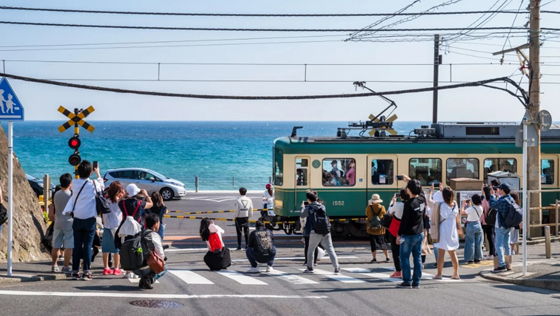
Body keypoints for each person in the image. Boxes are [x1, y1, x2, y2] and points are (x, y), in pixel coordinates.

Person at [62, 160, 104, 281]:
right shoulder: (93, 184)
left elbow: (82, 180)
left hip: (77, 218)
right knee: (88, 246)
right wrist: (98, 173)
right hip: (90, 218)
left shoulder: (74, 183)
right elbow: (102, 187)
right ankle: (86, 271)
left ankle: (75, 271)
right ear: (90, 172)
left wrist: (89, 172)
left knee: (77, 245)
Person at [117, 184, 153, 279]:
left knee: (126, 249)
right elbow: (151, 204)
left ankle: (128, 271)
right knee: (138, 248)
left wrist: (124, 195)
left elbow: (118, 201)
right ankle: (137, 269)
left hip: (125, 228)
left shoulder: (123, 203)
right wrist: (146, 195)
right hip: (137, 229)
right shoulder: (140, 203)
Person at [301, 190, 340, 274]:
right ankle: (336, 268)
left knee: (311, 249)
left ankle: (310, 267)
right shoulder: (322, 207)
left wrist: (302, 207)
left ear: (308, 199)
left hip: (315, 231)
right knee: (330, 249)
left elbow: (302, 215)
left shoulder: (309, 208)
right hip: (326, 230)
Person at [397, 179, 426, 289]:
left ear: (409, 190)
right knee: (417, 258)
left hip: (409, 235)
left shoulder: (409, 203)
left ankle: (406, 281)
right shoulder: (422, 199)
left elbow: (404, 221)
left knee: (404, 258)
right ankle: (416, 281)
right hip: (420, 233)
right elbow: (421, 190)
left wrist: (399, 234)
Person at [430, 187, 460, 280]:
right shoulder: (455, 204)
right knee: (453, 253)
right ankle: (456, 273)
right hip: (452, 231)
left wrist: (430, 192)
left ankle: (439, 274)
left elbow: (430, 203)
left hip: (443, 231)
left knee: (441, 254)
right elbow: (457, 217)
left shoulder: (442, 205)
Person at [49, 173, 73, 274]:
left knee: (56, 245)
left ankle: (54, 265)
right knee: (69, 246)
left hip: (58, 221)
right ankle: (65, 266)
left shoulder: (56, 194)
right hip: (69, 222)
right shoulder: (71, 195)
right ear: (70, 183)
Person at [137, 213, 167, 290]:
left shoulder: (140, 233)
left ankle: (143, 279)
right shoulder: (154, 235)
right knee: (164, 267)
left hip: (136, 266)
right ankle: (149, 279)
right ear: (155, 224)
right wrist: (163, 260)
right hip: (146, 265)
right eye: (159, 223)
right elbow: (160, 252)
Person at [490, 183, 514, 272]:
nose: (499, 191)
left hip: (500, 225)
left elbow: (492, 206)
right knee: (507, 245)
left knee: (498, 245)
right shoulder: (511, 199)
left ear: (503, 190)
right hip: (508, 225)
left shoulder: (502, 200)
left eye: (500, 189)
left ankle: (502, 264)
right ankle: (509, 265)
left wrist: (492, 196)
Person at [102, 181, 124, 276]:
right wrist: (124, 194)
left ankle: (106, 268)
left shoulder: (106, 201)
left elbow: (104, 214)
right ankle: (116, 268)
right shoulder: (119, 201)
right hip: (117, 226)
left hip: (107, 226)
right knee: (116, 249)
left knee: (105, 249)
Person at [387, 189, 409, 278]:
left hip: (395, 229)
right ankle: (406, 270)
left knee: (395, 251)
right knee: (406, 252)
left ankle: (398, 271)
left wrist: (392, 202)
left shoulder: (398, 205)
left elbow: (389, 212)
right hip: (407, 229)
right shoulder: (410, 205)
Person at [366, 194, 390, 263]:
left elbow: (367, 214)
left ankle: (374, 258)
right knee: (383, 243)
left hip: (371, 229)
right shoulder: (382, 207)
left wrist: (369, 205)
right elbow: (385, 215)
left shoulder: (369, 207)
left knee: (373, 244)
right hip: (381, 229)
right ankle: (387, 257)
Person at [461, 194, 484, 264]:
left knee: (470, 243)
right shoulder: (480, 208)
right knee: (478, 242)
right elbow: (473, 211)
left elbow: (462, 212)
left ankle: (470, 258)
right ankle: (478, 257)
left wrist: (463, 205)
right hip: (478, 224)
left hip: (471, 225)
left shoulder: (470, 209)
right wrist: (470, 205)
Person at [480, 185, 496, 259]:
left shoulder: (483, 199)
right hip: (492, 220)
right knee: (491, 237)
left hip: (484, 220)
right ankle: (492, 253)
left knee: (481, 238)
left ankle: (479, 253)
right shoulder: (493, 198)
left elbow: (482, 210)